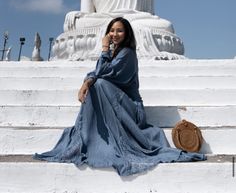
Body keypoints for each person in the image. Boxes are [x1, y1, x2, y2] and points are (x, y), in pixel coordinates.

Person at [34, 17, 206, 176]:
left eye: (119, 31)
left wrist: (103, 50)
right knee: (96, 85)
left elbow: (104, 73)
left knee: (99, 84)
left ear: (127, 34)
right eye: (112, 30)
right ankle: (89, 137)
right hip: (112, 101)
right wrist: (86, 83)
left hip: (129, 107)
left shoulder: (127, 54)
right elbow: (96, 72)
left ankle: (100, 141)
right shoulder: (114, 52)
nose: (114, 34)